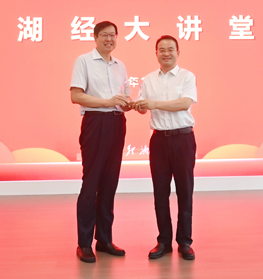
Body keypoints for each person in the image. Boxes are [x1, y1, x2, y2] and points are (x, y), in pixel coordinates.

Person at [70, 21, 132, 263]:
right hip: (95, 123)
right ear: (95, 38)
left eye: (113, 35)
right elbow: (76, 96)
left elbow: (122, 97)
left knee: (110, 182)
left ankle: (104, 240)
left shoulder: (120, 65)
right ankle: (84, 243)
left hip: (117, 123)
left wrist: (130, 104)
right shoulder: (83, 61)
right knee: (91, 182)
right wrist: (108, 102)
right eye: (104, 35)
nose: (109, 39)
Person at [134, 35, 198, 261]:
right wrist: (137, 105)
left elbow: (184, 103)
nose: (166, 53)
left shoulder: (187, 76)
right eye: (162, 49)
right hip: (159, 141)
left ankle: (185, 242)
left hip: (183, 139)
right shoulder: (148, 79)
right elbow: (143, 106)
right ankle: (164, 241)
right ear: (156, 54)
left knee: (184, 191)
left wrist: (154, 104)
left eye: (171, 49)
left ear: (178, 52)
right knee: (160, 192)